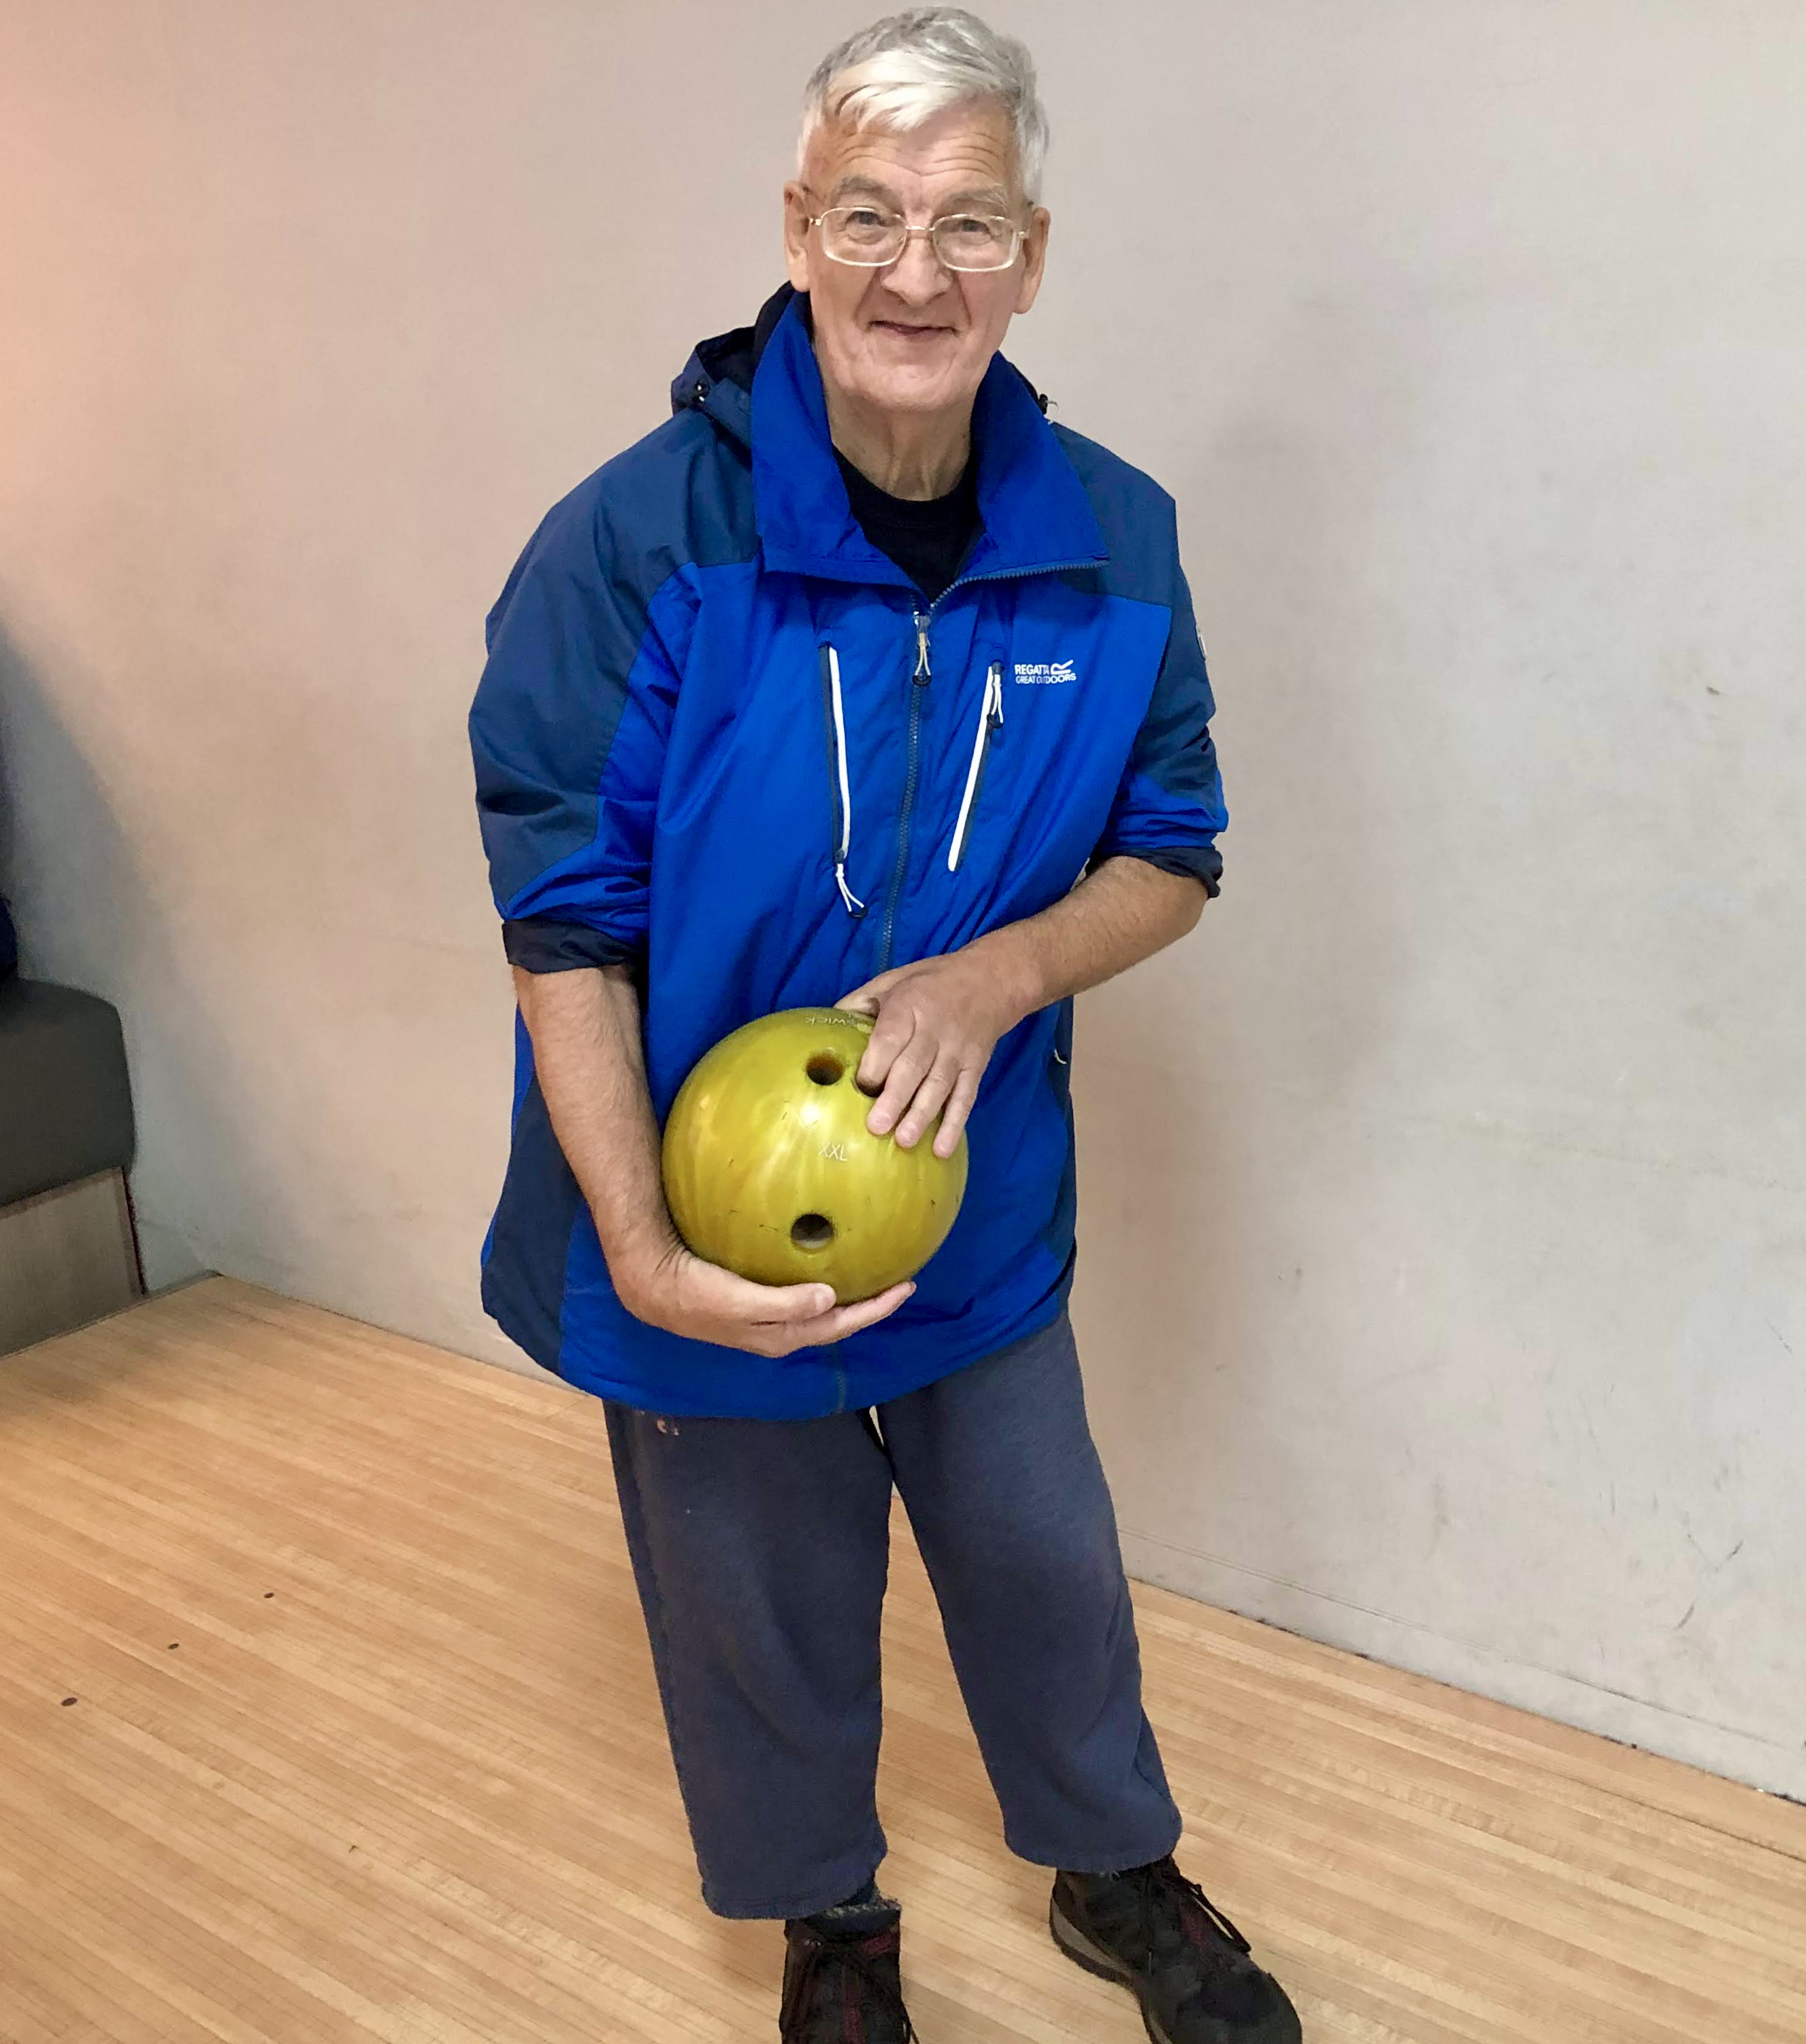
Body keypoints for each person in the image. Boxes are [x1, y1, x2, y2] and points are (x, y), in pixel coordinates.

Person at [469, 10, 1301, 2041]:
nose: (914, 272)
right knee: (755, 1606)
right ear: (796, 229)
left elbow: (1173, 852)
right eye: (868, 214)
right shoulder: (640, 542)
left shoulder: (1114, 538)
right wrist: (642, 1250)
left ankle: (1111, 1867)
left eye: (967, 222)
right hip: (698, 1215)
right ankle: (829, 1923)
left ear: (1033, 255)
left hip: (972, 1197)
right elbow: (561, 930)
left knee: (1040, 1560)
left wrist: (992, 976)